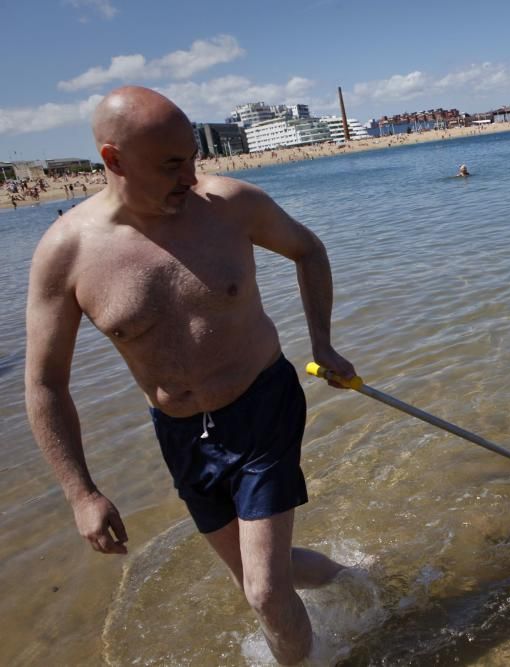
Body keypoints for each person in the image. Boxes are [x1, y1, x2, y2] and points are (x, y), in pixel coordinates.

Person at [24, 85, 356, 665]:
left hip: (262, 405)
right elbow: (45, 382)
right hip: (181, 433)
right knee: (256, 582)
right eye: (172, 165)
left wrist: (323, 341)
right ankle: (354, 580)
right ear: (113, 160)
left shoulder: (232, 206)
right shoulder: (67, 253)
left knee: (264, 591)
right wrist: (82, 494)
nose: (190, 177)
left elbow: (308, 250)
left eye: (193, 159)